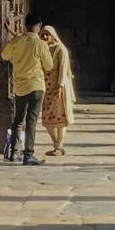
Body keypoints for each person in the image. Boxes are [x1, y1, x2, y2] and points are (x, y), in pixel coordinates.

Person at [2, 13, 53, 165]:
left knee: (18, 120)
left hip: (20, 86)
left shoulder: (16, 41)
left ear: (25, 24)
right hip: (37, 85)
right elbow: (49, 65)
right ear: (39, 25)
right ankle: (28, 155)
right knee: (31, 121)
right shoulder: (41, 44)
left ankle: (13, 152)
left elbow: (5, 55)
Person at [39, 26, 76, 156]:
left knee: (60, 117)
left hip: (58, 86)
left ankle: (59, 146)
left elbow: (63, 68)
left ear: (53, 35)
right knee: (47, 118)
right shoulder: (41, 48)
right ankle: (56, 144)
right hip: (45, 85)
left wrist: (59, 86)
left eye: (47, 34)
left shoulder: (60, 49)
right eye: (42, 34)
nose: (44, 37)